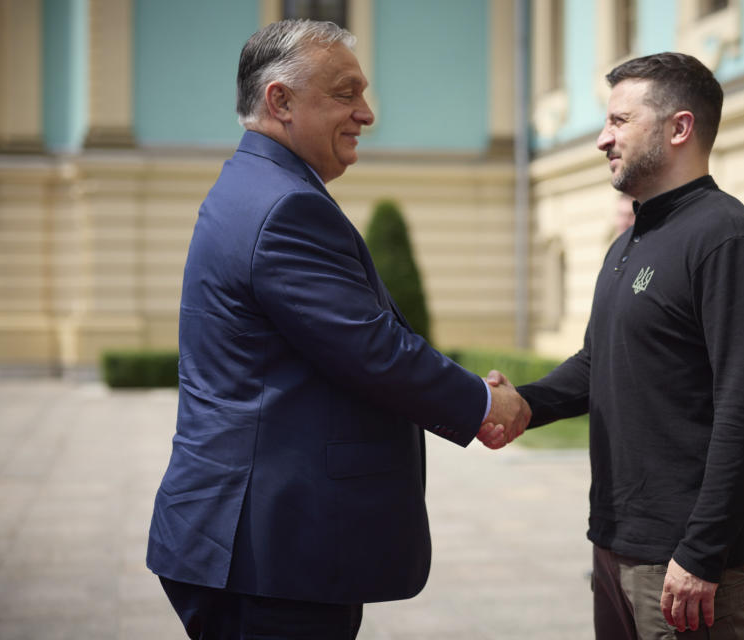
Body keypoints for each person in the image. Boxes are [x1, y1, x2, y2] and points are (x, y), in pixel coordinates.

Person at [146, 19, 529, 640]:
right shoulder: (286, 206)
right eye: (345, 93)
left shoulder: (255, 185)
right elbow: (372, 349)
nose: (367, 113)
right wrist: (484, 401)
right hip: (269, 551)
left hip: (245, 539)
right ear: (280, 101)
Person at [490, 53, 744, 639]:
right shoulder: (633, 240)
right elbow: (598, 364)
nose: (602, 138)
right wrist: (523, 404)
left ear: (679, 128)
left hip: (689, 563)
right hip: (616, 543)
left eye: (620, 121)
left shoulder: (728, 240)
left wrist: (702, 552)